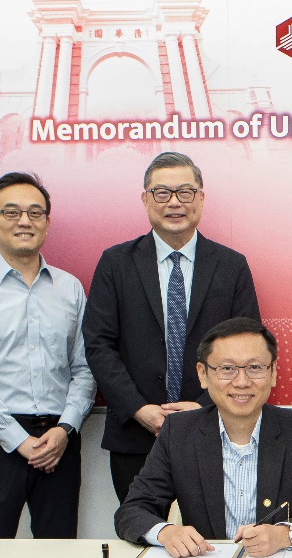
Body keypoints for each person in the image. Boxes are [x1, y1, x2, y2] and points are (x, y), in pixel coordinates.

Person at [84, 151, 260, 503]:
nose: (174, 202)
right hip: (135, 433)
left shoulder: (231, 266)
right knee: (141, 528)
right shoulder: (116, 263)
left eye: (185, 192)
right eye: (162, 192)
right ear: (146, 199)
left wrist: (204, 406)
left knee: (210, 532)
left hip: (213, 429)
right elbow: (98, 344)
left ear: (201, 198)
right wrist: (138, 408)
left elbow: (249, 347)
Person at [115, 318, 292, 558]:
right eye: (227, 368)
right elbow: (132, 510)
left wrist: (283, 535)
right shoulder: (179, 432)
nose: (241, 382)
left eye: (254, 367)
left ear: (273, 373)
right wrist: (166, 532)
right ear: (203, 374)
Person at [0, 172, 95, 540]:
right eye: (11, 212)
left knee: (59, 553)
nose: (24, 221)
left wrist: (66, 428)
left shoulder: (70, 288)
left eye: (35, 213)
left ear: (47, 222)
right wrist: (17, 439)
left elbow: (86, 368)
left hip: (60, 440)